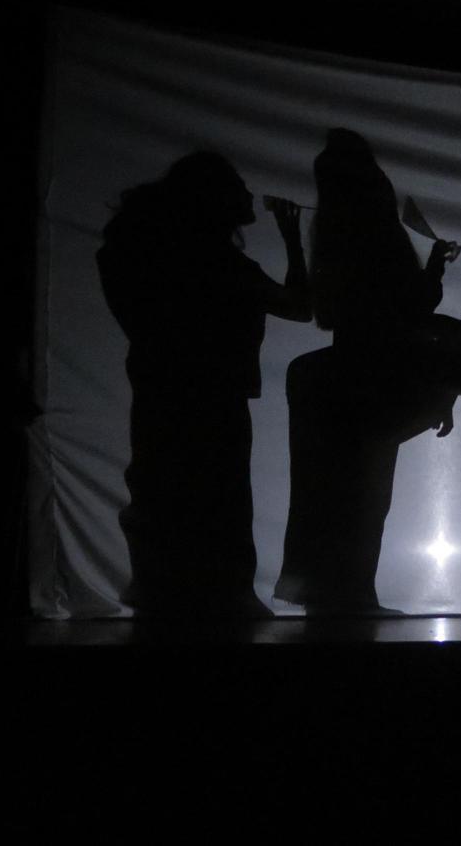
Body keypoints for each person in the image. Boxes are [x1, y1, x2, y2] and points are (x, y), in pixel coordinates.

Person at [96, 151, 310, 617]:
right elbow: (299, 306)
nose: (249, 194)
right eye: (237, 187)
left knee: (163, 494)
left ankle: (167, 600)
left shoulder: (146, 258)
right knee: (222, 501)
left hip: (158, 393)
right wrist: (292, 237)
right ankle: (226, 598)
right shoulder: (225, 267)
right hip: (217, 397)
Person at [274, 130, 459, 614]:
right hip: (376, 374)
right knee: (366, 494)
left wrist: (292, 238)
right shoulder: (379, 237)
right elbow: (413, 308)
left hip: (336, 374)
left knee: (324, 493)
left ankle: (327, 595)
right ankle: (353, 595)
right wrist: (436, 267)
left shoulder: (331, 233)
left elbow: (323, 310)